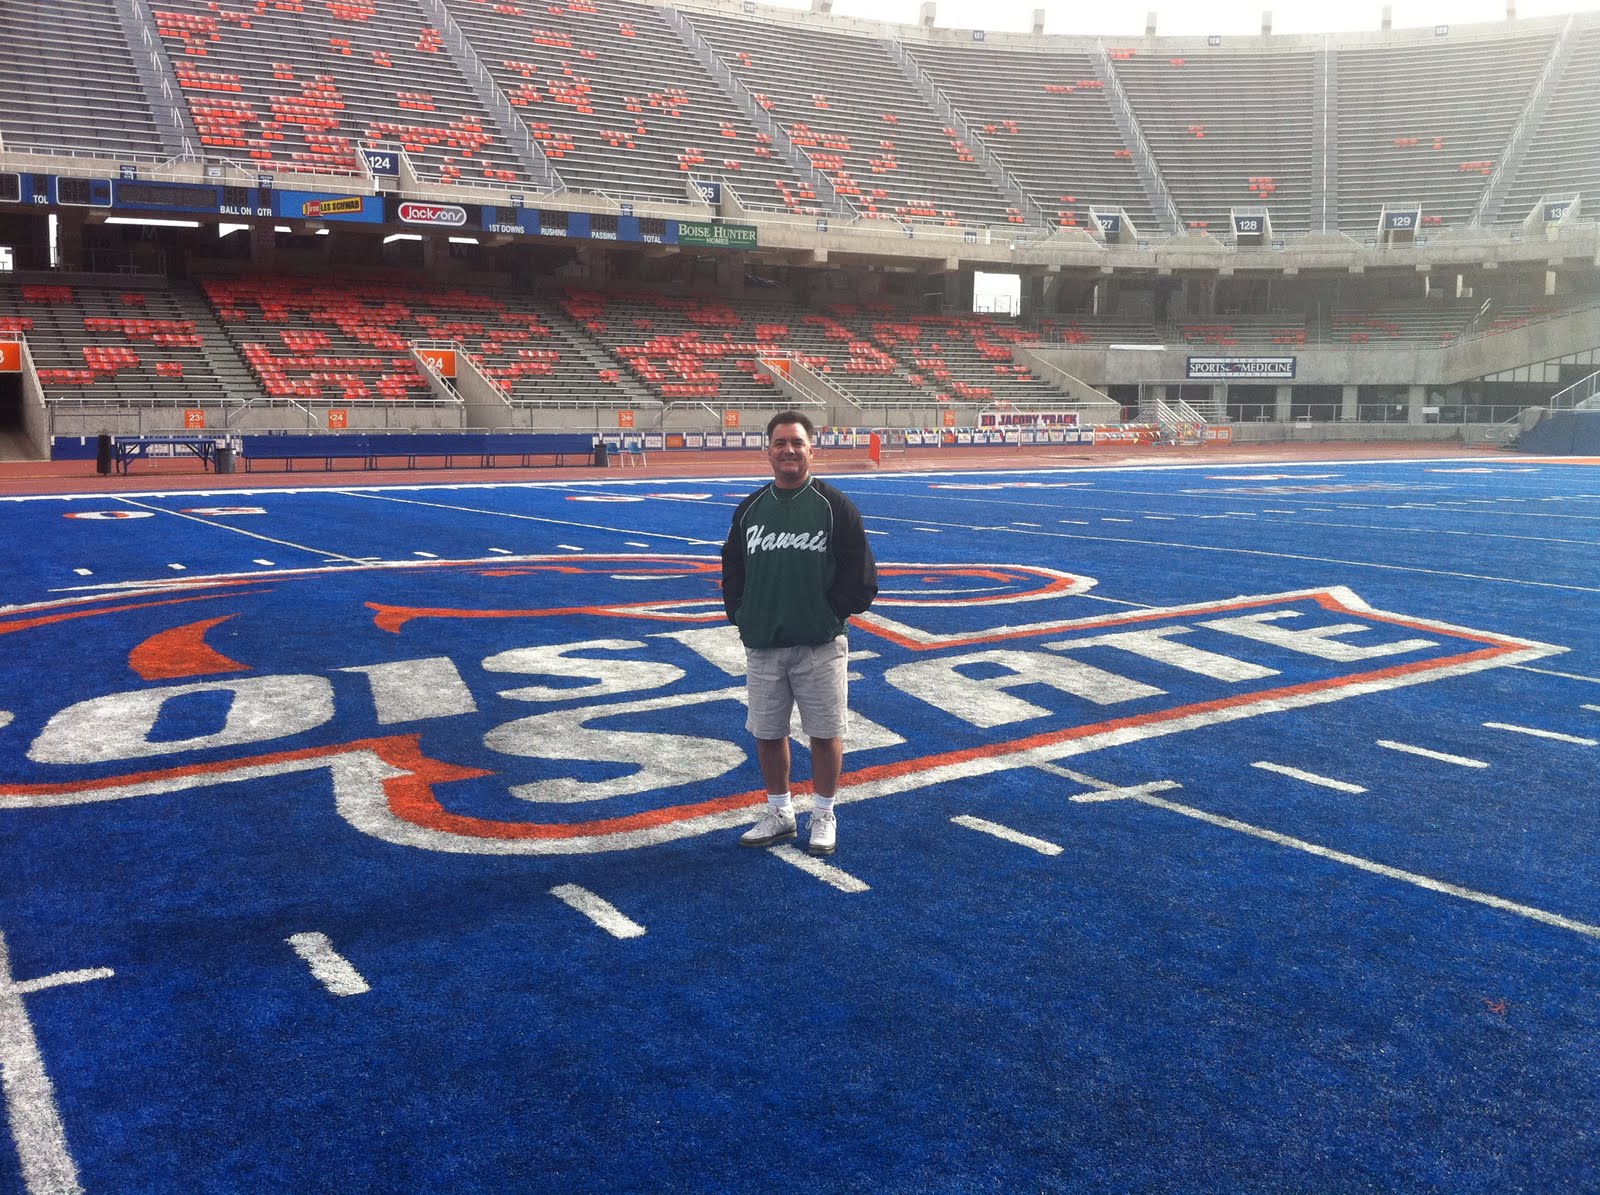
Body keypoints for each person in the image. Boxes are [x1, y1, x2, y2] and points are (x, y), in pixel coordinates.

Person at [721, 411, 878, 856]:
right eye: (780, 443)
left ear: (812, 449)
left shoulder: (834, 506)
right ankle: (780, 812)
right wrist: (742, 614)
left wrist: (828, 614)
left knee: (825, 733)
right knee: (768, 733)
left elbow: (861, 574)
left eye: (796, 442)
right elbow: (732, 565)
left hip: (819, 645)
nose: (788, 450)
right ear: (767, 451)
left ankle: (824, 813)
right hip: (764, 643)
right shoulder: (751, 508)